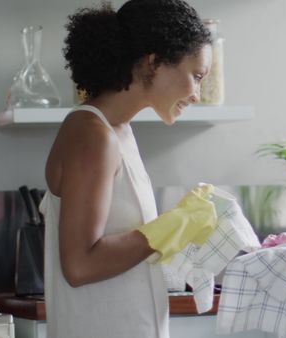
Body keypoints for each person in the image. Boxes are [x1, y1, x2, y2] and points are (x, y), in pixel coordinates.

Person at [40, 1, 215, 337]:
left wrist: (179, 229)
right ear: (153, 62)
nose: (197, 94)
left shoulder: (118, 132)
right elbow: (79, 264)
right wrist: (169, 227)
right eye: (196, 76)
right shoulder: (94, 136)